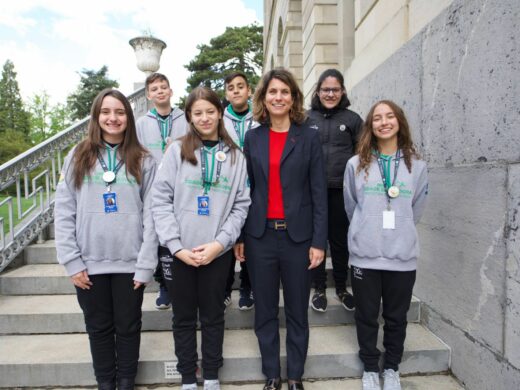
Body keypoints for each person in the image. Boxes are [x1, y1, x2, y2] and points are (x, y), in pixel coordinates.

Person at [54, 88, 158, 390]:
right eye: (106, 112)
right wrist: (71, 261)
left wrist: (146, 262)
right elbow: (63, 210)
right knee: (98, 328)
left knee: (128, 327)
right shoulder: (78, 155)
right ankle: (105, 383)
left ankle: (126, 381)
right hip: (88, 264)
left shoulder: (143, 159)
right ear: (96, 117)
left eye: (120, 112)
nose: (113, 118)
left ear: (129, 117)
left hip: (129, 263)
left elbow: (152, 214)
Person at [151, 87, 250, 390]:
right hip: (179, 253)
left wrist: (220, 244)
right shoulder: (176, 150)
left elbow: (241, 205)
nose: (205, 118)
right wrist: (176, 247)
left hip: (216, 253)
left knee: (213, 316)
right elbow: (160, 200)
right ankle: (186, 378)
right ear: (190, 117)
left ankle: (210, 376)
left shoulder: (235, 156)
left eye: (210, 111)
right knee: (182, 318)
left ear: (220, 113)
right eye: (198, 113)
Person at [237, 68, 327, 390]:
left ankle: (295, 376)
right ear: (264, 98)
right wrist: (241, 237)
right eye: (272, 92)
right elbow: (244, 190)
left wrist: (319, 241)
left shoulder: (309, 136)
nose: (278, 97)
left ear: (293, 98)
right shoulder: (253, 138)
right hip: (260, 237)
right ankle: (272, 374)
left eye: (284, 92)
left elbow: (319, 192)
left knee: (296, 312)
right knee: (264, 311)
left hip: (298, 238)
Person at [343, 100, 428, 390]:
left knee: (396, 318)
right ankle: (369, 367)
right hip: (365, 257)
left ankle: (391, 368)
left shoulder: (417, 166)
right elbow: (351, 206)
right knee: (366, 316)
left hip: (401, 256)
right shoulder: (355, 164)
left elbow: (416, 208)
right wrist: (366, 230)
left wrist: (399, 231)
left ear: (399, 122)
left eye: (389, 116)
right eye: (377, 118)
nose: (384, 122)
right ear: (370, 126)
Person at [307, 68, 363, 313]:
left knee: (340, 243)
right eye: (325, 89)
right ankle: (318, 288)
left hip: (341, 191)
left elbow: (363, 155)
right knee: (317, 240)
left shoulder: (352, 120)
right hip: (312, 192)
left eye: (335, 89)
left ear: (342, 91)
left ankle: (341, 288)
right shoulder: (306, 119)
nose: (330, 94)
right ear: (318, 92)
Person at [136, 72, 187, 310]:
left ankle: (180, 280)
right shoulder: (142, 123)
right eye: (155, 89)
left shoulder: (184, 118)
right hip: (153, 187)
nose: (160, 92)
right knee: (155, 235)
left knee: (177, 232)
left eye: (163, 87)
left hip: (180, 186)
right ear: (148, 95)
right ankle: (164, 285)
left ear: (171, 91)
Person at [222, 71, 259, 310]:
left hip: (257, 184)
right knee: (227, 236)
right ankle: (225, 288)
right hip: (227, 185)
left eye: (240, 86)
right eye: (230, 87)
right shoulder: (219, 120)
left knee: (251, 239)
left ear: (249, 91)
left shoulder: (261, 117)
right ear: (226, 93)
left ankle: (247, 286)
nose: (236, 91)